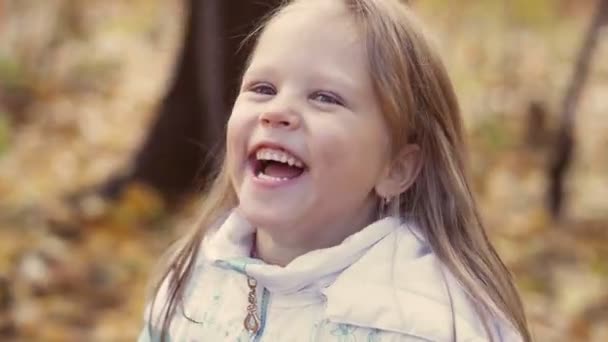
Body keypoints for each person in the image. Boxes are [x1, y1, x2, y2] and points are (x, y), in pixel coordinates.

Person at [138, 0, 531, 341]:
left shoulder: (422, 326)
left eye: (325, 97)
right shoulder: (195, 277)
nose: (277, 112)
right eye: (262, 89)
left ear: (397, 168)